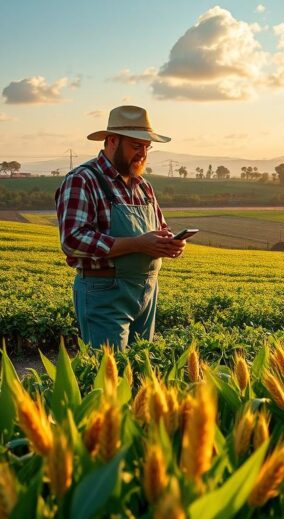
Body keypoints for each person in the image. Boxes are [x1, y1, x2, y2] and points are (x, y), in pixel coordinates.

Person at [55, 105, 184, 350]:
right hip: (104, 292)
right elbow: (73, 239)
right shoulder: (82, 179)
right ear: (112, 141)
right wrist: (137, 244)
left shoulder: (143, 185)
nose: (143, 153)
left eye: (147, 147)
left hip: (146, 290)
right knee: (109, 375)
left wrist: (171, 243)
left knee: (139, 371)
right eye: (136, 146)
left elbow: (160, 227)